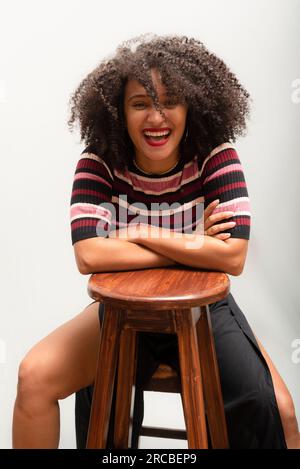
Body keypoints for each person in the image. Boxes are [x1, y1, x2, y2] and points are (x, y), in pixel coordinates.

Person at [12, 34, 299, 449]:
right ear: (118, 113)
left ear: (192, 107)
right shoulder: (99, 163)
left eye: (170, 101)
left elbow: (233, 256)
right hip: (124, 312)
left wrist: (142, 233)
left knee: (280, 410)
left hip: (204, 312)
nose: (156, 117)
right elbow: (90, 254)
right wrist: (193, 244)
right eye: (140, 104)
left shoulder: (215, 157)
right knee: (32, 377)